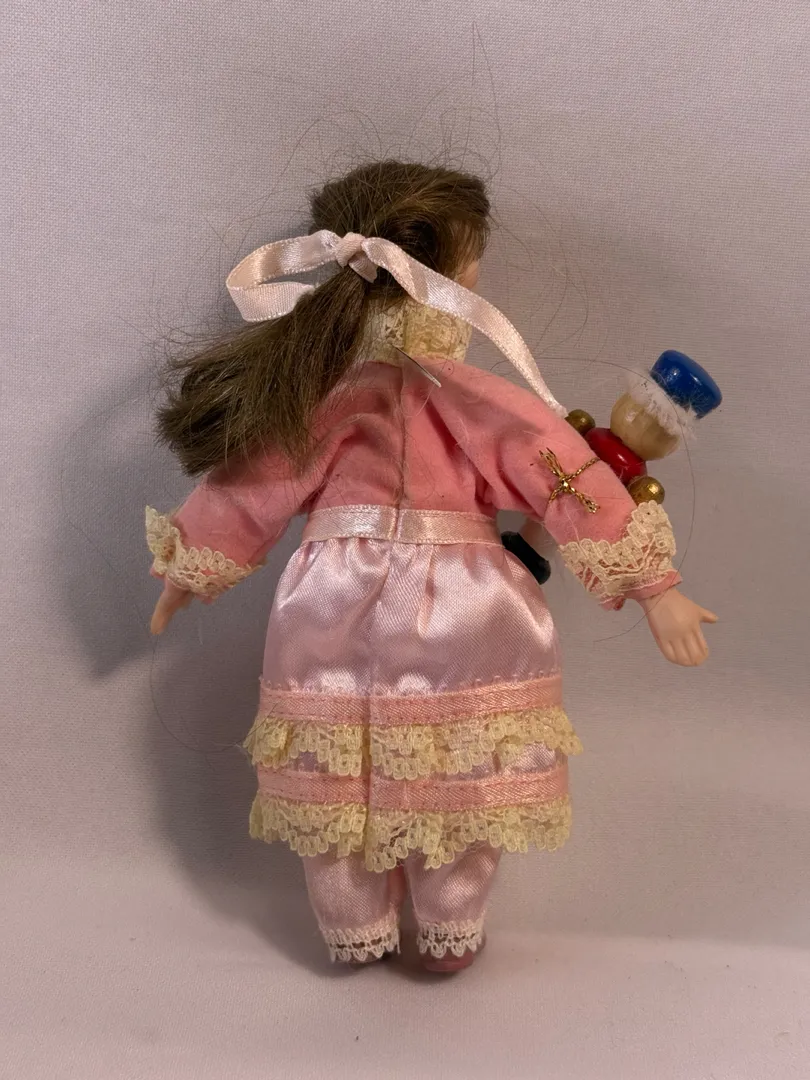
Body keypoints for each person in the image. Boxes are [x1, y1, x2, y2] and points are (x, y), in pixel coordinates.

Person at [147, 161, 716, 972]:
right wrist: (657, 589)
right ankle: (439, 919)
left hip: (333, 600)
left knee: (343, 765)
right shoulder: (471, 398)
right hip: (463, 606)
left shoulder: (330, 397)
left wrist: (192, 562)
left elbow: (255, 483)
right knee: (454, 774)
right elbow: (559, 470)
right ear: (459, 273)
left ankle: (359, 919)